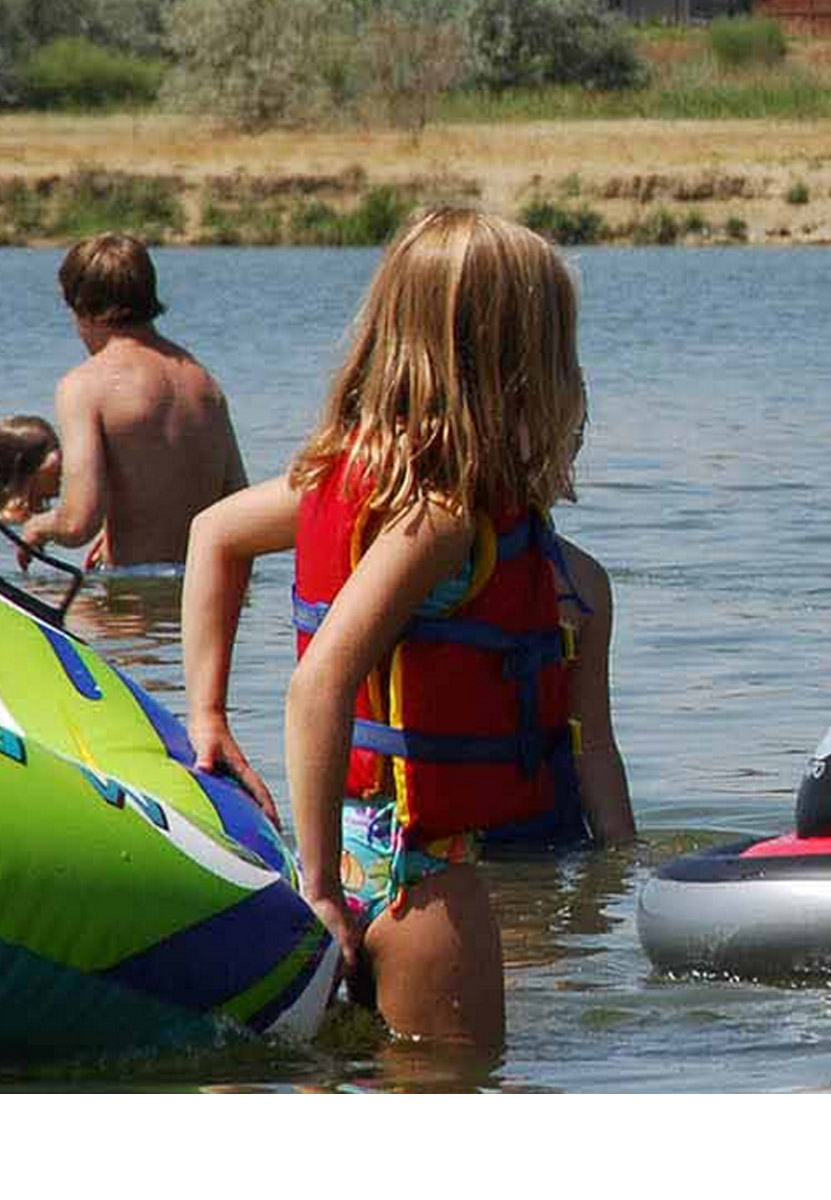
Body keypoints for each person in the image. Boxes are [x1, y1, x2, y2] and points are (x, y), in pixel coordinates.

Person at [181, 207, 633, 1052]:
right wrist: (320, 891)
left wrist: (206, 714)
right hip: (416, 880)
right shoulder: (446, 518)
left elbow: (213, 534)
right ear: (515, 363)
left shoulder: (342, 475)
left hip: (340, 847)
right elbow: (321, 684)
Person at [18, 233, 248, 570]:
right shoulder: (202, 381)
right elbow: (238, 506)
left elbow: (77, 522)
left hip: (133, 605)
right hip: (204, 587)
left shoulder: (84, 386)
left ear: (82, 308)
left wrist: (37, 527)